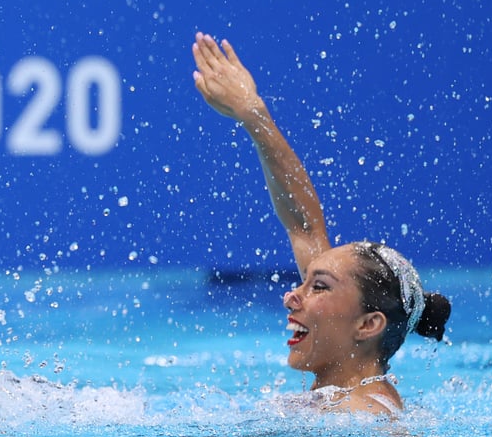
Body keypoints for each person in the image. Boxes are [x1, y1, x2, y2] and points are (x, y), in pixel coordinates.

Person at [191, 32, 450, 415]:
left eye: (319, 287)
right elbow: (305, 225)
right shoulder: (337, 400)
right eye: (306, 281)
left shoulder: (370, 416)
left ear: (367, 324)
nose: (291, 296)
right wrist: (253, 116)